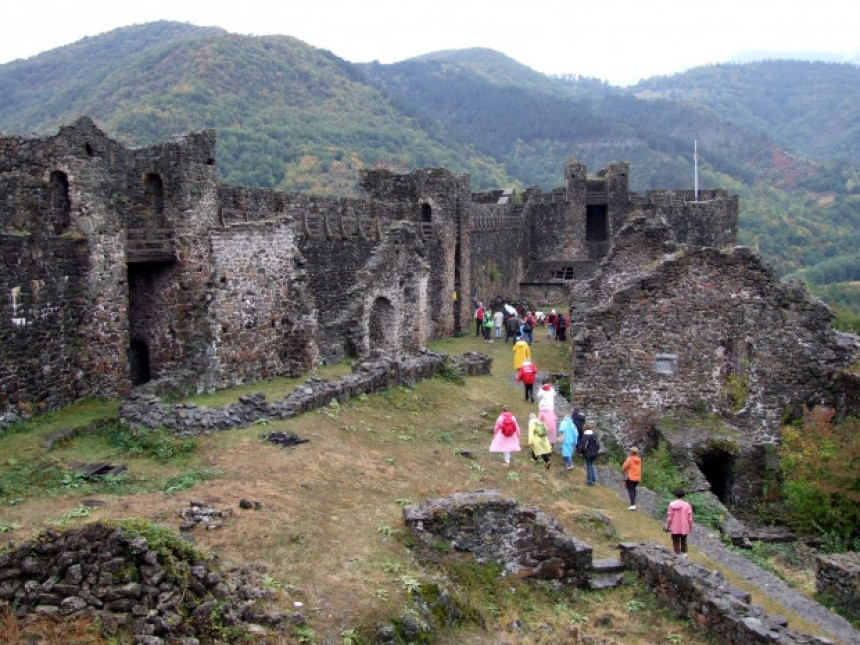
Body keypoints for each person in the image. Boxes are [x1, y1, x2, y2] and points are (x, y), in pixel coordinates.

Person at [665, 489, 694, 557]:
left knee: (675, 541)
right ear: (683, 495)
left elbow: (669, 517)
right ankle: (684, 555)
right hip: (684, 527)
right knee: (684, 540)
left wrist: (667, 526)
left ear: (675, 495)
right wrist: (690, 526)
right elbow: (689, 518)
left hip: (674, 527)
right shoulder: (687, 505)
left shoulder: (672, 504)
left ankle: (677, 555)